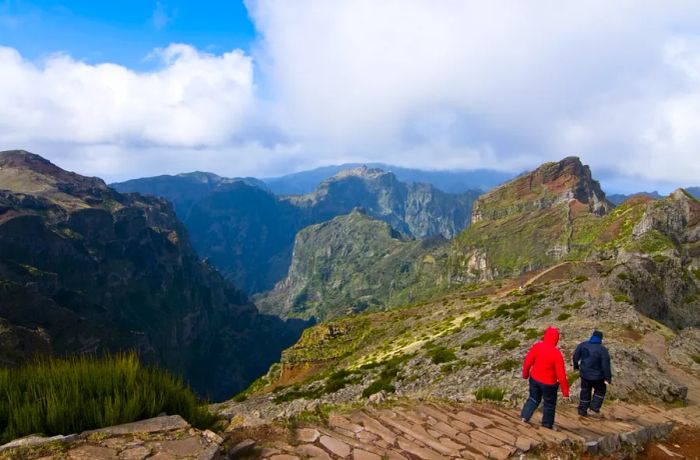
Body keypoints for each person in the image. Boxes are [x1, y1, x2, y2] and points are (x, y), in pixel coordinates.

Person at [520, 326, 570, 429]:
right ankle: (547, 424)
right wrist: (565, 393)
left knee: (533, 398)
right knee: (549, 404)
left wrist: (525, 374)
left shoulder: (537, 346)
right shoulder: (557, 354)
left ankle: (524, 417)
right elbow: (561, 375)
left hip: (534, 378)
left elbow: (528, 362)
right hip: (549, 383)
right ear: (556, 339)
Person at [573, 330, 612, 417]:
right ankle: (594, 408)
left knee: (585, 391)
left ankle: (582, 410)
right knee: (600, 390)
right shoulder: (602, 349)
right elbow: (606, 365)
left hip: (585, 374)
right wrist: (608, 378)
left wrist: (576, 366)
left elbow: (575, 356)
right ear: (601, 339)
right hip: (598, 377)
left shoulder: (583, 345)